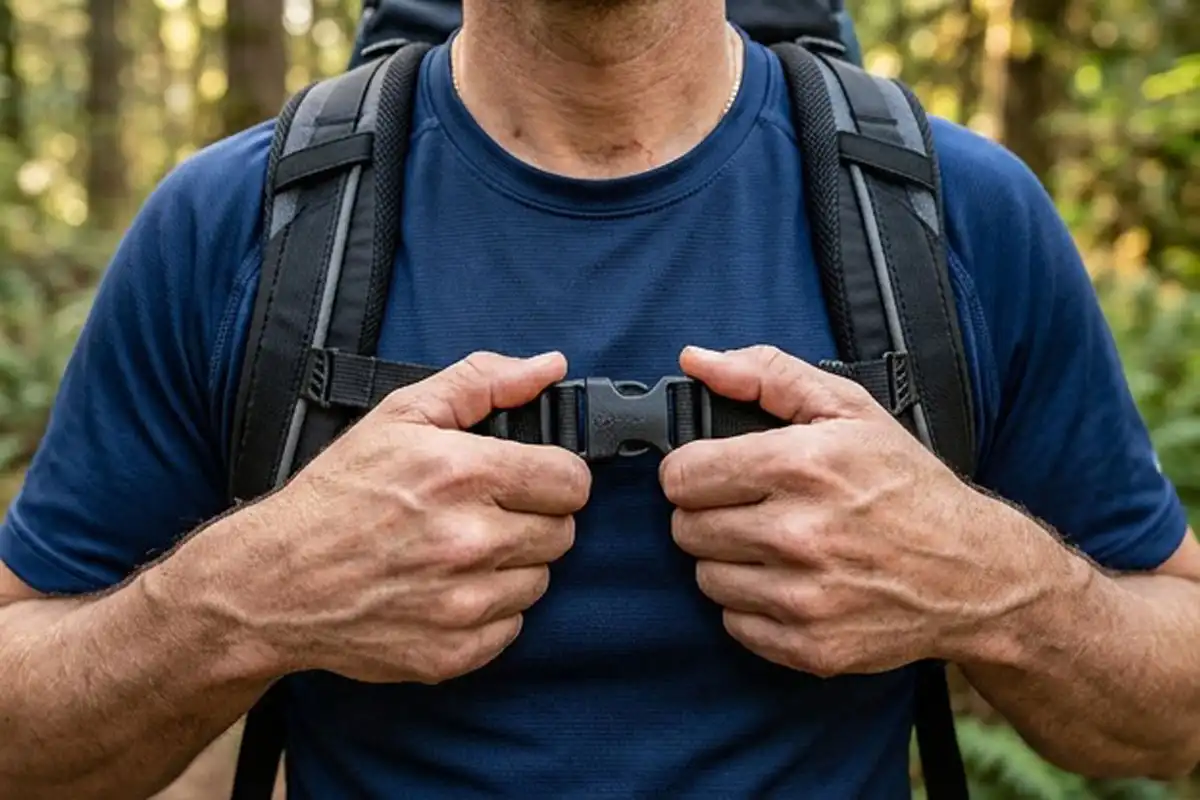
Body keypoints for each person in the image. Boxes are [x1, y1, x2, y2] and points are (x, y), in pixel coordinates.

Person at [1, 0, 1198, 796]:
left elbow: (1177, 706)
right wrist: (242, 600)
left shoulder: (955, 216)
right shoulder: (237, 225)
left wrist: (999, 587)